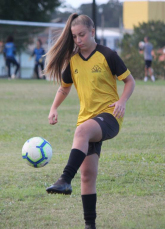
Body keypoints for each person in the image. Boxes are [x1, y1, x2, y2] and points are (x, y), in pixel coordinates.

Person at [44, 13, 135, 229]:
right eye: (74, 37)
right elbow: (64, 88)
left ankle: (65, 180)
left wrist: (122, 101)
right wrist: (54, 107)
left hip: (110, 117)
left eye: (82, 35)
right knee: (87, 176)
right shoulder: (73, 61)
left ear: (92, 32)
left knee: (81, 132)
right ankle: (90, 225)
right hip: (87, 119)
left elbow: (130, 81)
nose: (78, 40)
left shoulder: (107, 55)